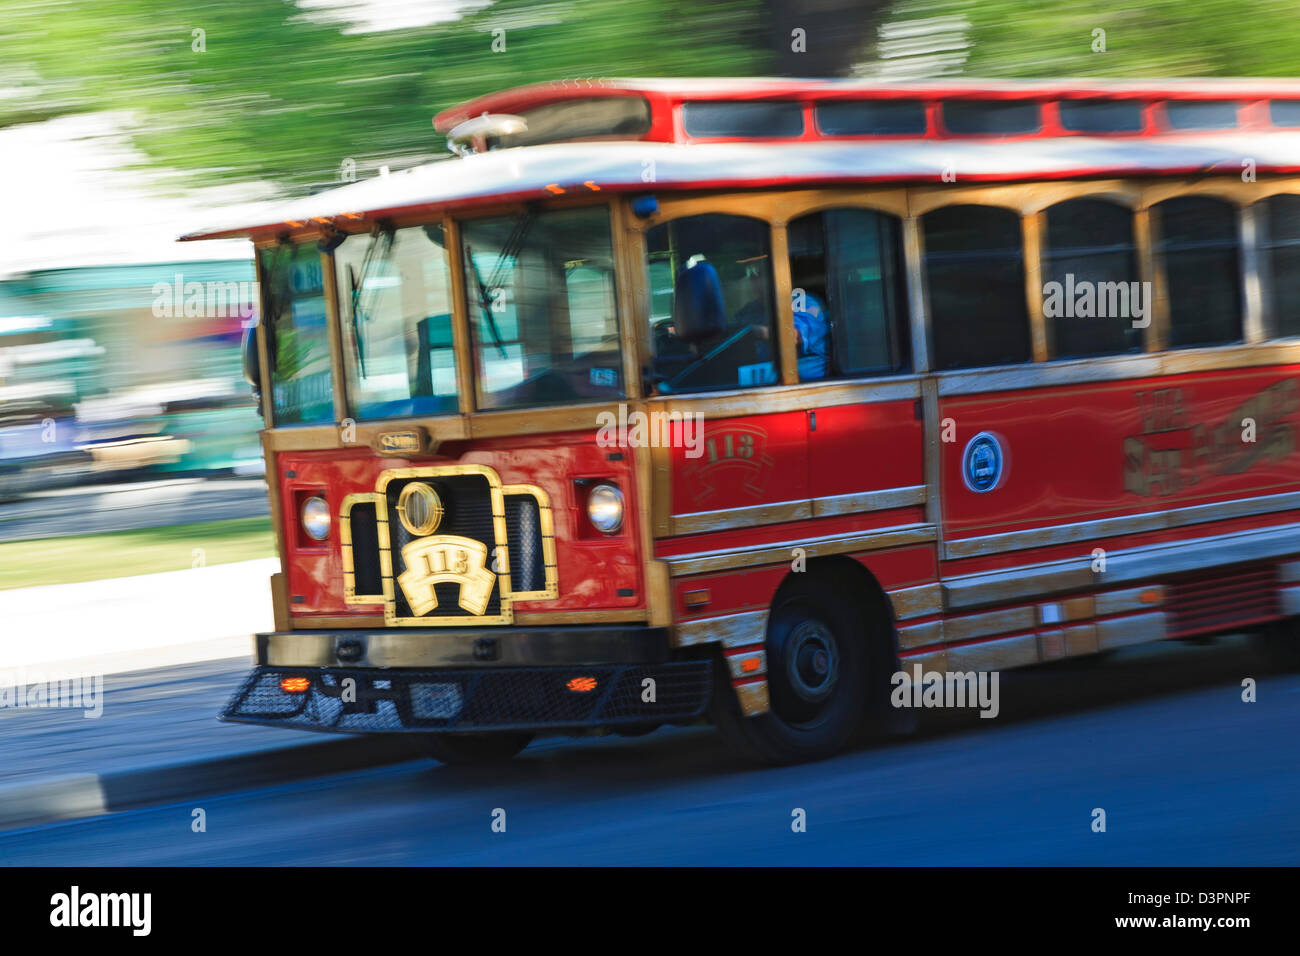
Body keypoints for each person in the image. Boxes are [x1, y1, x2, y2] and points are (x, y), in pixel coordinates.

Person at [792, 290, 830, 380]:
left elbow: (795, 336)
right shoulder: (758, 307)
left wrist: (759, 332)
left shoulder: (805, 301)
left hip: (814, 375)